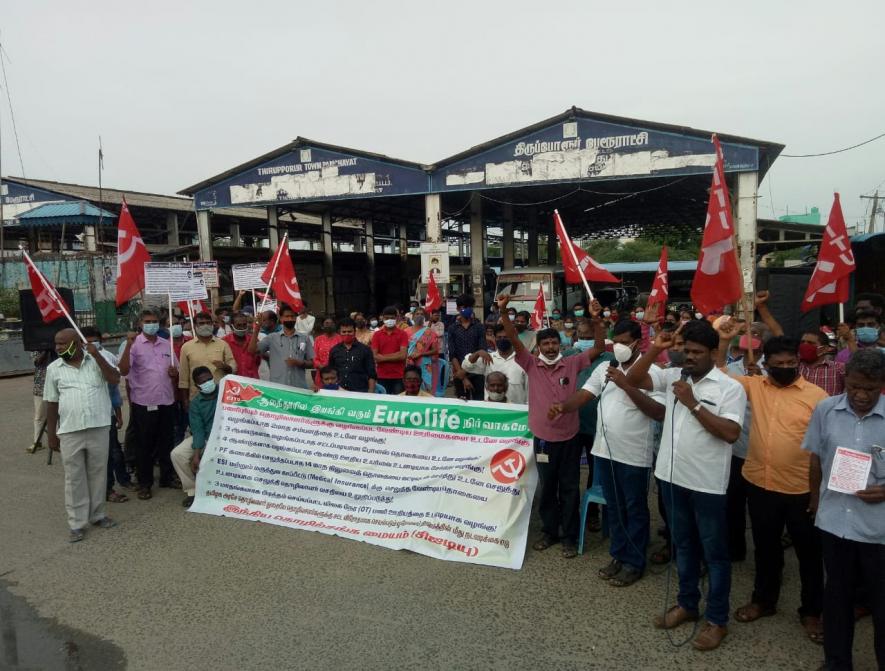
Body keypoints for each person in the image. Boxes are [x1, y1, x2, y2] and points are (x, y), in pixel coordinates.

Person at [625, 320, 746, 651]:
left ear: (711, 352)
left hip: (706, 485)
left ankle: (717, 620)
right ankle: (688, 605)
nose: (689, 357)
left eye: (696, 352)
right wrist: (656, 349)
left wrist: (693, 403)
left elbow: (730, 433)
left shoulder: (729, 387)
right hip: (670, 478)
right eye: (685, 351)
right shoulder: (673, 376)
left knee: (715, 554)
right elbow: (632, 380)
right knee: (684, 545)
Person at [714, 322, 828, 644]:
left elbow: (826, 446)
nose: (784, 369)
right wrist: (724, 341)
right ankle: (764, 601)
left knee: (809, 553)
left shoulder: (818, 397)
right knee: (765, 547)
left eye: (790, 363)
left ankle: (811, 611)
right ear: (766, 364)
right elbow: (720, 374)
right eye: (777, 365)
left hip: (801, 490)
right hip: (759, 484)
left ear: (798, 362)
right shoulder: (755, 386)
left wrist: (820, 493)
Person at [550, 319, 665, 586]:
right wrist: (563, 407)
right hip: (604, 451)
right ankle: (619, 554)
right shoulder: (605, 367)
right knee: (614, 507)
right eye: (618, 342)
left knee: (634, 507)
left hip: (634, 454)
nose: (620, 347)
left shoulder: (652, 372)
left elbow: (658, 412)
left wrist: (626, 384)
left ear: (639, 343)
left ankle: (634, 561)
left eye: (626, 342)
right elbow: (585, 394)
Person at [499, 294, 606, 559]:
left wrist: (596, 319)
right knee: (547, 488)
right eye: (544, 343)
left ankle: (570, 536)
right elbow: (513, 339)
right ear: (538, 346)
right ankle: (550, 532)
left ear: (561, 344)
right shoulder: (530, 364)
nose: (549, 347)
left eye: (553, 342)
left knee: (569, 488)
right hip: (544, 439)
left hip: (570, 437)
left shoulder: (572, 362)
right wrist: (503, 312)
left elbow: (600, 347)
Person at [802, 349, 885, 671]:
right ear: (845, 381)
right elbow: (815, 457)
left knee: (881, 605)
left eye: (871, 388)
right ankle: (837, 663)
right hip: (835, 523)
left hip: (878, 531)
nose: (861, 395)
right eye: (854, 387)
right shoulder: (826, 410)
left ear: (882, 384)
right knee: (837, 599)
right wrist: (814, 499)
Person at [44, 328, 121, 542]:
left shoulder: (97, 361)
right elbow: (51, 402)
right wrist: (52, 434)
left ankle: (98, 515)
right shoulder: (54, 369)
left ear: (77, 343)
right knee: (74, 478)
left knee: (98, 474)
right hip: (70, 430)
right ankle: (77, 524)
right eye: (56, 343)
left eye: (62, 343)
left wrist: (96, 355)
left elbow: (115, 379)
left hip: (99, 426)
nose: (58, 347)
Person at [118, 309, 180, 500]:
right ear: (140, 324)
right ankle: (144, 483)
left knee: (166, 442)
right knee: (144, 445)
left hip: (166, 401)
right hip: (144, 403)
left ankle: (166, 476)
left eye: (154, 321)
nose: (151, 324)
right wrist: (128, 346)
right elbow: (123, 370)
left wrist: (173, 374)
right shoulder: (133, 345)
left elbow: (176, 370)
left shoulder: (166, 345)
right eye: (147, 321)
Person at [562, 320, 615, 533]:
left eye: (588, 337)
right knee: (570, 473)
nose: (584, 341)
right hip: (572, 425)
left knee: (597, 473)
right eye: (581, 337)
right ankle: (571, 513)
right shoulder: (568, 357)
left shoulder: (609, 360)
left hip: (597, 427)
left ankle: (592, 513)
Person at [81, 327, 131, 504]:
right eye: (87, 340)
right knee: (89, 457)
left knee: (112, 453)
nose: (92, 343)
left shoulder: (108, 357)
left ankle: (114, 485)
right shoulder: (76, 360)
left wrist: (118, 413)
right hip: (84, 418)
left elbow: (114, 387)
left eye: (95, 340)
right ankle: (92, 490)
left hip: (106, 414)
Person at [170, 367, 218, 508]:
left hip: (227, 436)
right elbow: (197, 430)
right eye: (204, 382)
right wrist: (196, 454)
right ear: (197, 386)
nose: (208, 383)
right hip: (205, 437)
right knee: (177, 454)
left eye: (210, 379)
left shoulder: (225, 391)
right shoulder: (196, 403)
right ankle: (193, 490)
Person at [461, 323, 528, 404]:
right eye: (499, 337)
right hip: (491, 410)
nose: (502, 339)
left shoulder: (523, 360)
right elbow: (465, 366)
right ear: (494, 338)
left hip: (516, 412)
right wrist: (477, 353)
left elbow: (529, 389)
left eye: (506, 337)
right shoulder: (488, 358)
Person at [248, 306, 313, 389]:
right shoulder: (272, 338)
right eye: (287, 316)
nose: (290, 319)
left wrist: (299, 363)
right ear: (281, 319)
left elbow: (312, 364)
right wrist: (257, 328)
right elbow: (252, 351)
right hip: (277, 390)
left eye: (292, 316)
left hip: (299, 389)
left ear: (296, 318)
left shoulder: (305, 338)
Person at [447, 295, 486, 401]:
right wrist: (462, 376)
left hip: (477, 372)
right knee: (462, 403)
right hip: (459, 372)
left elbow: (482, 350)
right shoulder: (452, 328)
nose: (468, 309)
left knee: (479, 402)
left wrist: (465, 371)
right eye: (464, 307)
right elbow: (452, 353)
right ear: (458, 309)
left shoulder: (479, 327)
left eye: (470, 307)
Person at [328, 318, 377, 393]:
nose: (346, 334)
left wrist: (371, 393)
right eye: (344, 332)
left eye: (349, 331)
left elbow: (372, 374)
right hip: (339, 392)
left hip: (360, 392)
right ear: (339, 332)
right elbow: (330, 372)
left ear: (355, 331)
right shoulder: (334, 350)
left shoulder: (365, 350)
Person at [371, 306, 410, 395]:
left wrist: (383, 357)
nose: (389, 320)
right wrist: (396, 355)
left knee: (399, 402)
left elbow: (403, 356)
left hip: (399, 375)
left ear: (397, 318)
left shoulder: (403, 334)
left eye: (392, 318)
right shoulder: (377, 335)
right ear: (382, 318)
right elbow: (375, 357)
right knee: (383, 402)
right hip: (382, 375)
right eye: (387, 318)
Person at [406, 309, 441, 394]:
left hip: (424, 365)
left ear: (425, 317)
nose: (419, 315)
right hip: (408, 363)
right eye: (417, 314)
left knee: (426, 390)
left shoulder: (430, 332)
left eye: (422, 314)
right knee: (409, 389)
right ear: (413, 316)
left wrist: (421, 354)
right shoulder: (405, 331)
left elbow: (435, 350)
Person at [223, 311, 261, 379]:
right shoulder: (224, 342)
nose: (242, 327)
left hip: (252, 382)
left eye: (244, 324)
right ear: (232, 326)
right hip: (234, 383)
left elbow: (258, 361)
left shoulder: (254, 340)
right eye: (239, 325)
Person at [29, 349, 54, 452]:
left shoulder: (59, 347)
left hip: (58, 386)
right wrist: (45, 350)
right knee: (39, 416)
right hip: (40, 387)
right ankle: (37, 442)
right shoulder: (36, 348)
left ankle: (64, 440)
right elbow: (37, 362)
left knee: (61, 415)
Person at [313, 316, 342, 388]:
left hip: (337, 374)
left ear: (335, 325)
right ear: (323, 325)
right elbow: (314, 357)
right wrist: (322, 367)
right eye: (327, 323)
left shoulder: (340, 338)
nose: (329, 325)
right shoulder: (318, 339)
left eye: (331, 323)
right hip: (321, 374)